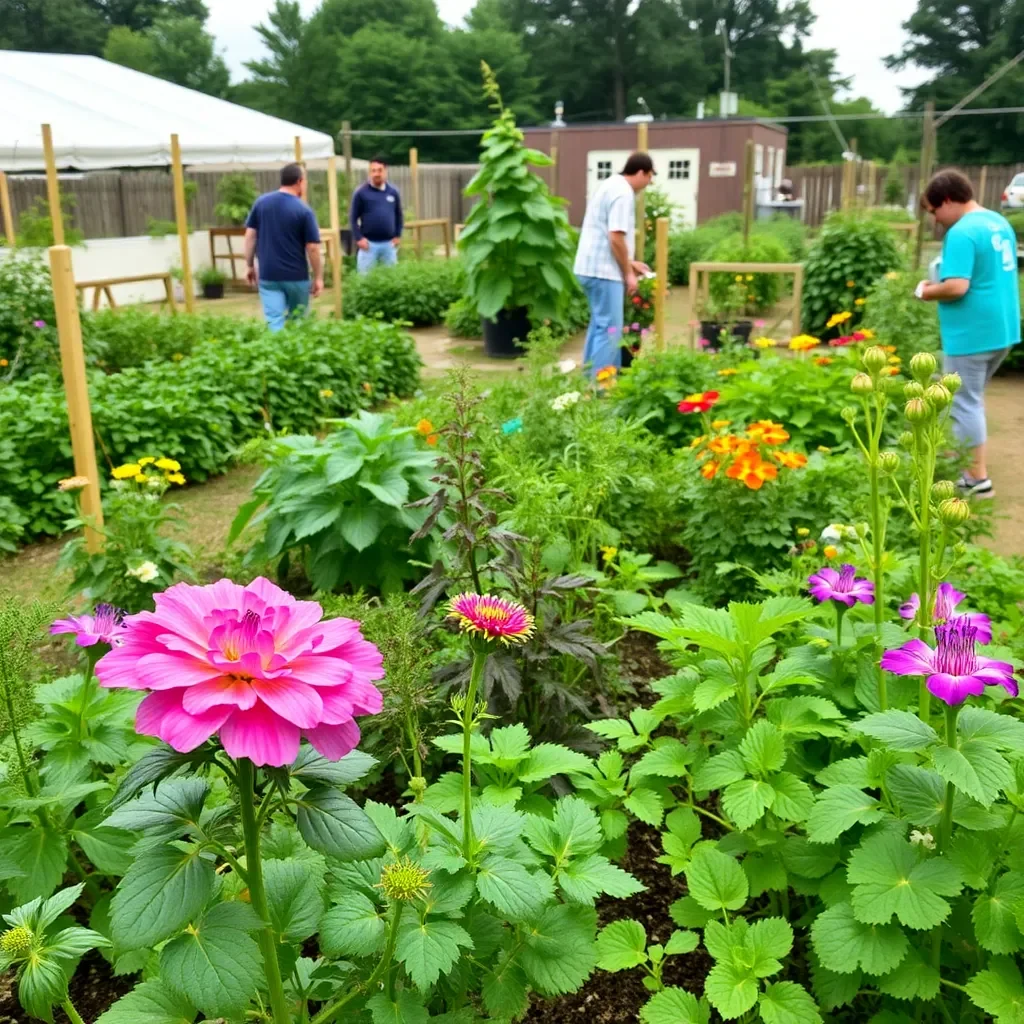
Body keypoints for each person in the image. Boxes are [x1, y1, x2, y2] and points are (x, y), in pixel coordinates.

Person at [916, 169, 1020, 498]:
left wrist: (925, 291)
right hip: (1002, 328)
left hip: (972, 332)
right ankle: (963, 455)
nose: (935, 221)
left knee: (964, 402)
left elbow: (957, 286)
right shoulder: (996, 221)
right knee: (969, 401)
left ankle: (977, 480)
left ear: (947, 200)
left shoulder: (962, 232)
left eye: (934, 211)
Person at [573, 151, 655, 375]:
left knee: (600, 325)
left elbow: (609, 236)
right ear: (641, 172)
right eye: (649, 177)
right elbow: (616, 236)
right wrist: (628, 273)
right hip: (603, 272)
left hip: (589, 267)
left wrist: (630, 263)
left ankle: (589, 378)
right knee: (610, 329)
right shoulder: (623, 193)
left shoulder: (610, 184)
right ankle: (602, 385)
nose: (649, 183)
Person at [244, 163, 322, 332]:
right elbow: (313, 248)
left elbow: (250, 236)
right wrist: (318, 277)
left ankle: (276, 355)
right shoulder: (304, 210)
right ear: (299, 182)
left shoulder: (261, 203)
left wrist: (249, 265)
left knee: (274, 322)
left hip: (268, 275)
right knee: (299, 322)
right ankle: (297, 356)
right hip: (297, 277)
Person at [350, 156, 404, 273]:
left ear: (386, 171)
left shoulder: (393, 192)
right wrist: (359, 238)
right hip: (368, 245)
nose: (376, 174)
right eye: (373, 171)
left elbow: (399, 215)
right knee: (364, 279)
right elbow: (353, 218)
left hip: (388, 245)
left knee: (392, 278)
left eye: (379, 170)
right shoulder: (361, 192)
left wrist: (398, 235)